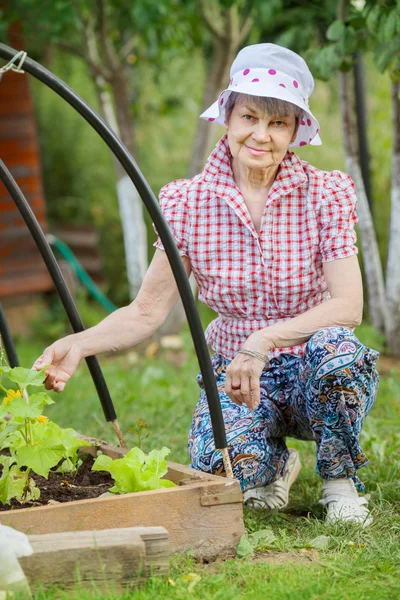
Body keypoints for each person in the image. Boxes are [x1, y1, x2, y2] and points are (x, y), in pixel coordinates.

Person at [34, 44, 379, 525]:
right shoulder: (187, 203)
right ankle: (273, 466)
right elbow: (147, 311)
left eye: (278, 123)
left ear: (296, 129)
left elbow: (348, 305)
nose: (261, 135)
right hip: (240, 381)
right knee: (221, 466)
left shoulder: (325, 192)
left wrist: (265, 339)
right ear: (228, 116)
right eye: (250, 117)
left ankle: (339, 482)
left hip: (310, 371)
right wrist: (78, 343)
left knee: (340, 351)